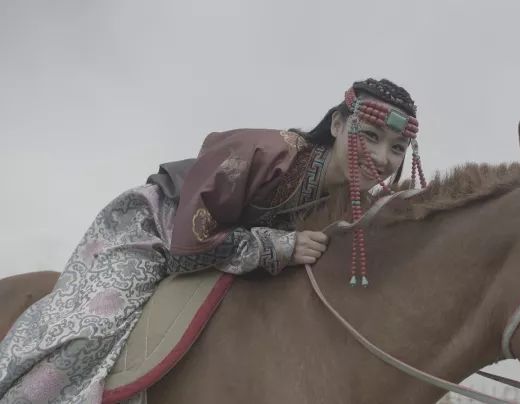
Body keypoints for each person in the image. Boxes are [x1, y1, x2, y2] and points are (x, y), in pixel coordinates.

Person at [0, 78, 423, 403]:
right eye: (368, 135)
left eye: (397, 147)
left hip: (229, 256)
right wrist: (280, 247)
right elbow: (190, 246)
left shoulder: (356, 206)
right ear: (336, 123)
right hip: (157, 227)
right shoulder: (263, 150)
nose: (383, 158)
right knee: (86, 333)